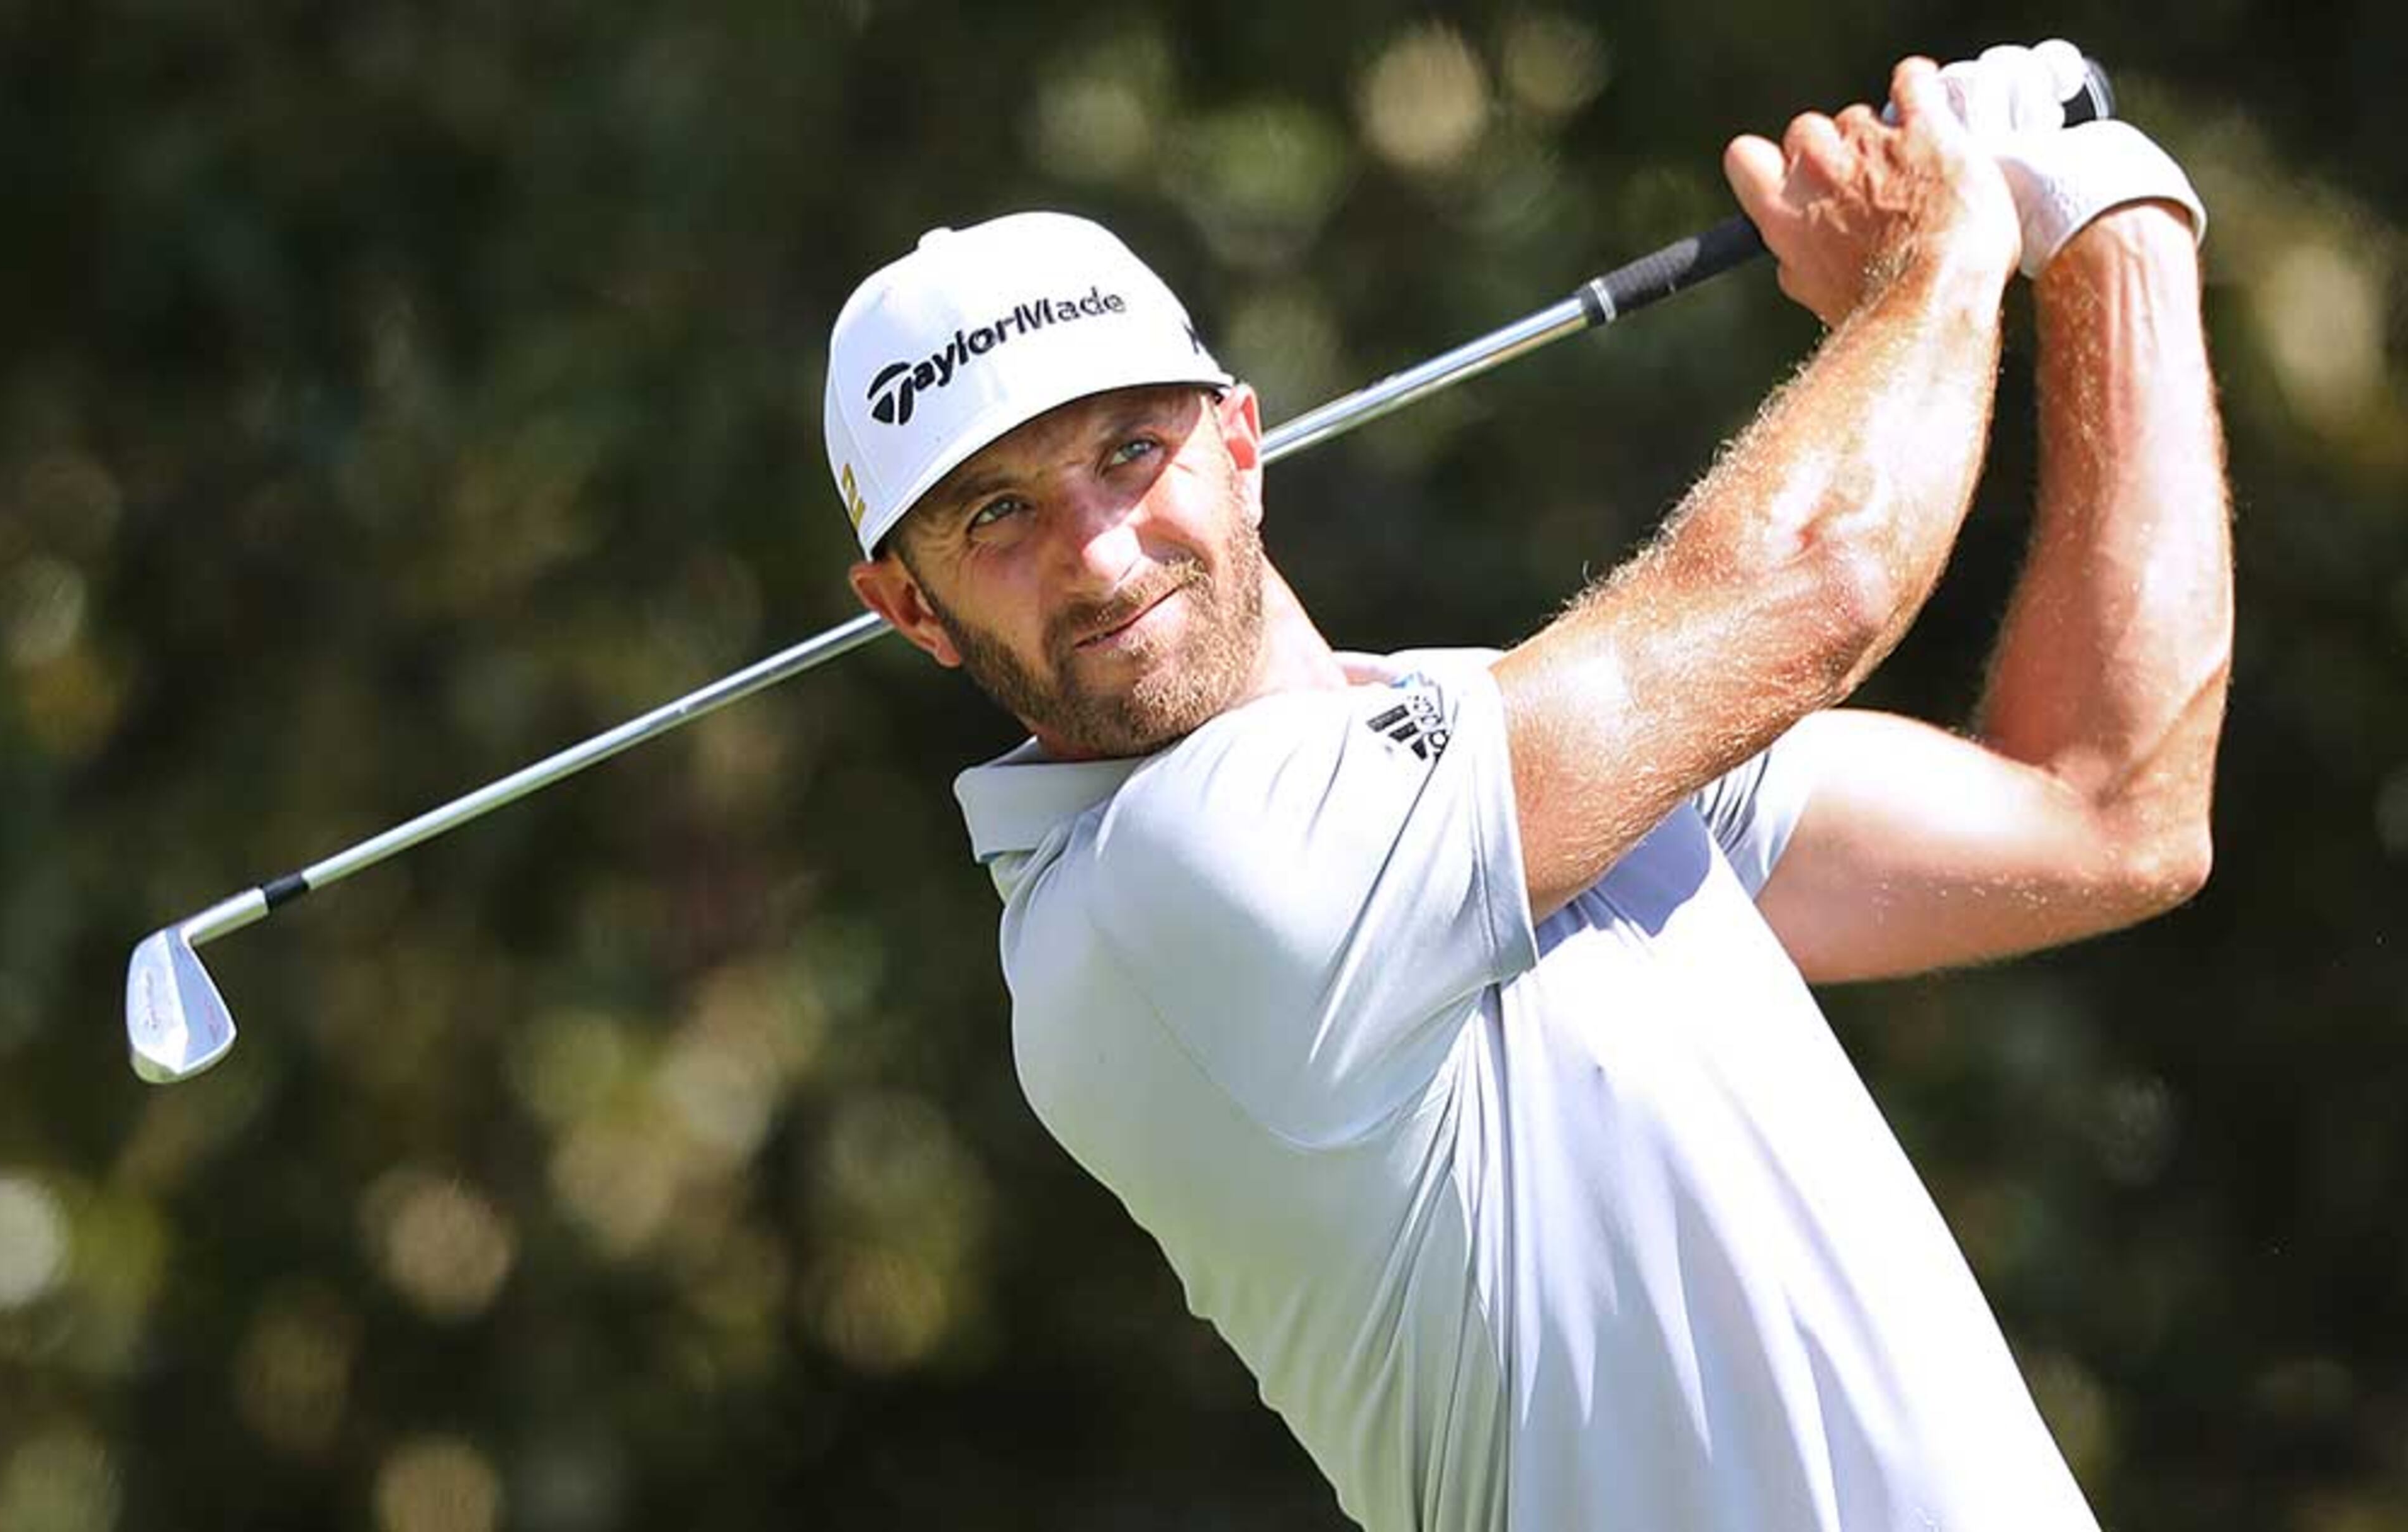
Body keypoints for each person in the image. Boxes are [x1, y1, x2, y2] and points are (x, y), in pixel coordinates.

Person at [822, 41, 2230, 1531]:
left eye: (1129, 451)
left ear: (1240, 444)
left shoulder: (1468, 739)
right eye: (999, 515)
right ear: (911, 610)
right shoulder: (1157, 896)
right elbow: (1820, 577)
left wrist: (2106, 216)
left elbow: (2106, 807)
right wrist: (1946, 244)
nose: (1100, 552)